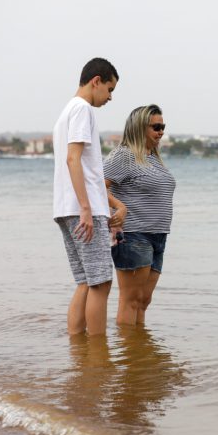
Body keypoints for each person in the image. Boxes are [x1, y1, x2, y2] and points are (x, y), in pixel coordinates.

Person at [53, 58, 125, 335]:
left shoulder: (66, 112)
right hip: (82, 209)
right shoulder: (82, 109)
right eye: (109, 89)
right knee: (100, 282)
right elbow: (74, 159)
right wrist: (86, 208)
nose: (110, 97)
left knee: (85, 281)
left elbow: (76, 164)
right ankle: (98, 356)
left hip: (65, 207)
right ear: (96, 81)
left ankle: (78, 350)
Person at [104, 104, 175, 326]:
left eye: (163, 126)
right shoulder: (124, 156)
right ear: (139, 127)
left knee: (144, 300)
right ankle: (129, 356)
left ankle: (140, 354)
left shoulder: (153, 157)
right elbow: (96, 185)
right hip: (134, 235)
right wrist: (119, 207)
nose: (161, 131)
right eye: (156, 126)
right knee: (131, 300)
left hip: (158, 236)